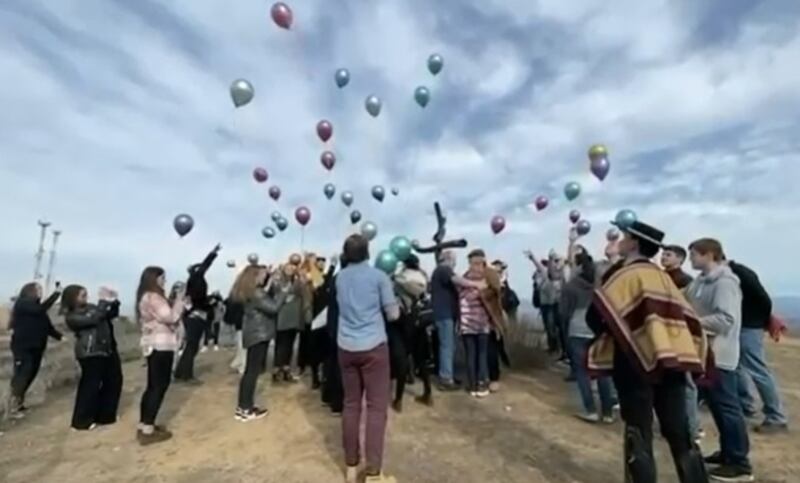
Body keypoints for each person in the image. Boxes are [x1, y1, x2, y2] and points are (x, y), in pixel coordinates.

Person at [586, 220, 709, 483]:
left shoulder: (623, 276)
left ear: (634, 243)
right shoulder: (663, 277)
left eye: (625, 236)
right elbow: (687, 319)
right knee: (680, 432)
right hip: (672, 360)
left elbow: (595, 317)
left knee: (638, 431)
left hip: (633, 363)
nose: (620, 239)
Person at [686, 239, 754, 481]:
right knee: (717, 406)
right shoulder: (699, 283)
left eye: (694, 254)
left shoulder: (725, 283)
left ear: (709, 255)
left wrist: (693, 322)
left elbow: (726, 319)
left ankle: (739, 463)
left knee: (727, 407)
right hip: (705, 353)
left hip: (720, 354)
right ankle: (728, 453)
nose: (690, 259)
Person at [337, 234, 399, 483]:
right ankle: (373, 470)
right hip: (373, 345)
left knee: (351, 405)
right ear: (368, 252)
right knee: (376, 408)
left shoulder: (339, 278)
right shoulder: (379, 277)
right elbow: (393, 314)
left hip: (345, 346)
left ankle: (351, 466)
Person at [727, 259, 788, 433]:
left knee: (758, 370)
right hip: (740, 326)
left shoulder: (739, 273)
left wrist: (758, 321)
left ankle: (776, 417)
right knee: (736, 367)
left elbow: (763, 299)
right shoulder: (729, 274)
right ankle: (745, 405)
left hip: (749, 327)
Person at [559, 252, 614, 424]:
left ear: (579, 266)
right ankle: (607, 413)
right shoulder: (602, 285)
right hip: (599, 330)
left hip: (577, 330)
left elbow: (563, 313)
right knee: (602, 370)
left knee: (582, 372)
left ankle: (590, 410)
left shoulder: (571, 286)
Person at [62, 285, 123, 431]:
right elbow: (95, 319)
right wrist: (103, 302)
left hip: (107, 349)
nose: (86, 297)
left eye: (86, 294)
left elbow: (108, 315)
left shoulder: (92, 308)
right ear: (72, 298)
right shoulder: (72, 316)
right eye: (82, 295)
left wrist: (114, 301)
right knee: (90, 386)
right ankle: (81, 421)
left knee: (114, 381)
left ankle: (106, 416)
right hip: (90, 352)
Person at [137, 266, 186, 446]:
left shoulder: (145, 297)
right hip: (161, 345)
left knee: (152, 386)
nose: (164, 281)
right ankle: (148, 429)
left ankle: (144, 424)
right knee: (159, 386)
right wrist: (179, 301)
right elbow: (170, 317)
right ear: (154, 279)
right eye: (162, 278)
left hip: (152, 344)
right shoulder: (154, 297)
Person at [234, 265, 287, 422]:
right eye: (263, 275)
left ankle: (243, 406)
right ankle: (245, 409)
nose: (264, 278)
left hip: (253, 334)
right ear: (255, 276)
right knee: (252, 372)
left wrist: (270, 276)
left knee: (250, 371)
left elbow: (265, 292)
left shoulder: (250, 291)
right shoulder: (256, 293)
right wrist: (283, 292)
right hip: (259, 334)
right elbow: (274, 307)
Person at [429, 250, 485, 391]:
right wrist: (476, 284)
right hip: (444, 315)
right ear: (448, 259)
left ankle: (448, 375)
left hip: (446, 315)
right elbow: (458, 280)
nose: (455, 264)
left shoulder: (440, 272)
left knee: (449, 346)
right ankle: (446, 379)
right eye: (454, 260)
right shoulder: (443, 270)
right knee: (447, 347)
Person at [8, 282, 63, 418]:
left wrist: (60, 337)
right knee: (22, 374)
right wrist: (56, 294)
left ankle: (19, 404)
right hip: (23, 347)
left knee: (31, 374)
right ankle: (12, 406)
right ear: (30, 291)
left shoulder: (39, 309)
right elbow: (39, 310)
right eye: (38, 289)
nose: (41, 292)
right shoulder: (22, 303)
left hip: (37, 347)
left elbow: (47, 326)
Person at [458, 249, 505, 398]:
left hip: (469, 322)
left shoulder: (465, 279)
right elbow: (496, 291)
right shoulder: (483, 278)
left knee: (474, 354)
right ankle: (481, 385)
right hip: (481, 322)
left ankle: (474, 385)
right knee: (481, 354)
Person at [175, 244, 221, 384]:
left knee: (191, 346)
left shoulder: (194, 281)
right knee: (192, 346)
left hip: (193, 315)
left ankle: (179, 373)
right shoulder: (197, 278)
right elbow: (199, 300)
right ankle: (186, 375)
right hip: (196, 316)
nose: (203, 268)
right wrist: (212, 254)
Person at [391, 254, 430, 411]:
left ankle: (398, 400)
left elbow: (393, 279)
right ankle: (428, 392)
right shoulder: (423, 277)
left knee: (402, 357)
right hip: (419, 320)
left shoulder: (402, 278)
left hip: (403, 319)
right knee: (420, 358)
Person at [272, 258, 311, 383]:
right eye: (288, 268)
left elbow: (305, 293)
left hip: (294, 318)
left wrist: (303, 280)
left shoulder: (298, 281)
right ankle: (277, 371)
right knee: (281, 345)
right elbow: (275, 294)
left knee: (289, 345)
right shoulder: (278, 281)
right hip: (282, 317)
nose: (290, 270)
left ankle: (286, 370)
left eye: (292, 268)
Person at [525, 250, 567, 359]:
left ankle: (563, 350)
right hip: (547, 305)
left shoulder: (562, 273)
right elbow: (540, 267)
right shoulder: (545, 274)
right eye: (552, 260)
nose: (554, 263)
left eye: (556, 260)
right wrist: (533, 258)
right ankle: (554, 349)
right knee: (550, 328)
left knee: (561, 328)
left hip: (558, 304)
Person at [322, 255, 347, 415]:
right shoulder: (346, 280)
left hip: (332, 326)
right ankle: (337, 403)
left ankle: (328, 397)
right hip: (341, 328)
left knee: (331, 363)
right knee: (339, 367)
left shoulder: (335, 279)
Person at [490, 259, 515, 392]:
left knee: (497, 343)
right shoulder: (491, 282)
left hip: (499, 317)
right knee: (494, 345)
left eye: (500, 270)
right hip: (492, 317)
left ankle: (497, 372)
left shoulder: (503, 285)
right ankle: (498, 368)